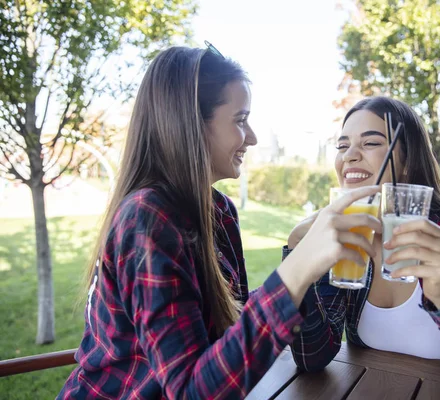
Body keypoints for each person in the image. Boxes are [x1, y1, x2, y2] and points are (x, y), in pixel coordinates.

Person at [57, 43, 381, 399]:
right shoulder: (146, 218)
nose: (253, 137)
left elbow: (240, 322)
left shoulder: (219, 211)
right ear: (191, 124)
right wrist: (295, 274)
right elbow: (192, 392)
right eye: (241, 120)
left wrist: (300, 268)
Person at [286, 96, 440, 396]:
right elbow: (312, 357)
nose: (349, 155)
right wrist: (299, 262)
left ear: (406, 162)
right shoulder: (344, 234)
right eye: (342, 145)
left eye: (371, 143)